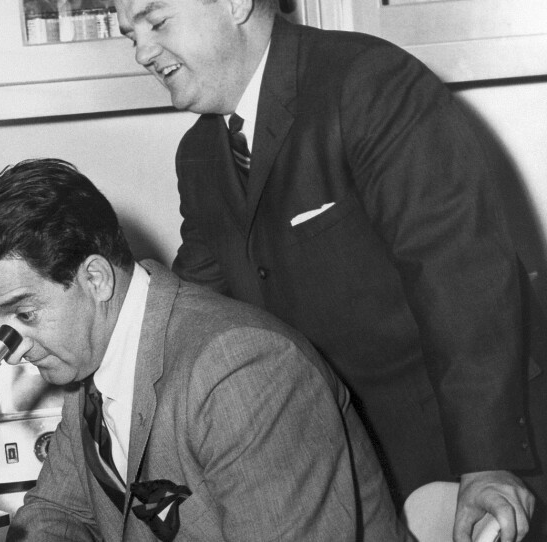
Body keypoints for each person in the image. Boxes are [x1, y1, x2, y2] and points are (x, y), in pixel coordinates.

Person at [114, 0, 547, 540]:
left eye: (155, 22)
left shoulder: (370, 83)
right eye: (129, 34)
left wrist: (486, 462)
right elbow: (196, 316)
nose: (142, 51)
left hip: (463, 449)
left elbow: (463, 278)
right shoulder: (200, 153)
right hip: (345, 464)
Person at [0, 158, 409, 541]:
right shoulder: (90, 366)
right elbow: (59, 512)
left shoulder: (241, 369)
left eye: (24, 315)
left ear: (95, 279)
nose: (11, 350)